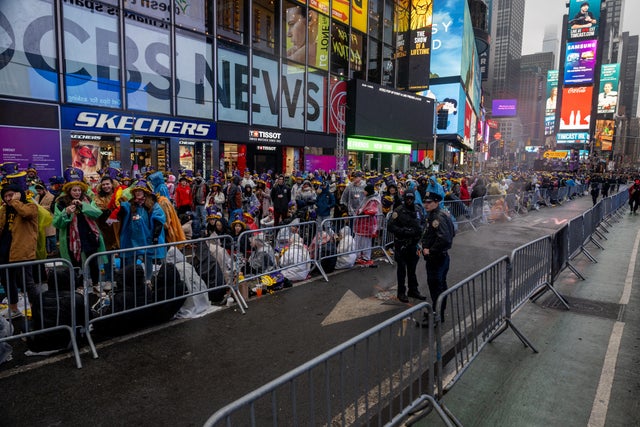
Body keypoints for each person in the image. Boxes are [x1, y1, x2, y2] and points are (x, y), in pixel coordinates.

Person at [53, 175, 106, 287]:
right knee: (75, 263)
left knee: (93, 262)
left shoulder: (88, 199)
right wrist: (66, 212)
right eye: (74, 190)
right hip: (70, 239)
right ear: (69, 191)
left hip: (89, 236)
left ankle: (96, 284)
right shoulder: (61, 203)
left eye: (79, 190)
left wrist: (84, 206)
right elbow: (57, 223)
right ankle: (79, 286)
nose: (77, 192)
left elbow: (97, 213)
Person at [0, 183, 39, 319]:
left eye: (11, 195)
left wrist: (16, 201)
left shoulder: (30, 206)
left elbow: (26, 213)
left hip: (22, 251)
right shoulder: (4, 210)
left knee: (27, 282)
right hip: (5, 250)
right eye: (5, 196)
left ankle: (36, 310)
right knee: (7, 280)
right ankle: (14, 309)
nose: (8, 198)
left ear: (18, 194)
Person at [117, 179, 167, 280]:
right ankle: (132, 280)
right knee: (131, 259)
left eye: (140, 190)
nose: (138, 193)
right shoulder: (130, 204)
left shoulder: (152, 205)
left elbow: (159, 219)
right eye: (136, 191)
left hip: (147, 238)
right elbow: (121, 214)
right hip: (133, 239)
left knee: (148, 259)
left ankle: (148, 280)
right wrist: (120, 206)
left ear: (145, 192)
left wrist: (155, 236)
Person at [421, 191, 455, 323]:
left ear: (436, 202)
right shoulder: (437, 214)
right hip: (440, 257)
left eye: (429, 202)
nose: (425, 204)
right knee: (439, 286)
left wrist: (431, 250)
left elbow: (445, 239)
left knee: (436, 287)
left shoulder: (438, 217)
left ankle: (437, 315)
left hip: (437, 258)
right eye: (425, 202)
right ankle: (437, 312)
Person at [387, 190, 426, 303]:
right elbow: (390, 226)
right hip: (402, 244)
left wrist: (420, 230)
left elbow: (423, 222)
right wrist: (404, 231)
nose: (409, 200)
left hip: (414, 244)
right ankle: (401, 292)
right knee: (401, 269)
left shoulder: (418, 210)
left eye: (411, 198)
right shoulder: (398, 211)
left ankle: (413, 290)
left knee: (412, 269)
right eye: (407, 199)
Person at [353, 184, 382, 266]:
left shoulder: (373, 200)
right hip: (361, 224)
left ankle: (366, 257)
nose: (363, 192)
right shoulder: (367, 198)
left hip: (367, 224)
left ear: (368, 191)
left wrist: (363, 212)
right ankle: (358, 256)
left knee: (366, 242)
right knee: (358, 241)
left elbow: (373, 210)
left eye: (365, 190)